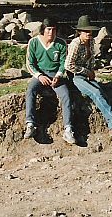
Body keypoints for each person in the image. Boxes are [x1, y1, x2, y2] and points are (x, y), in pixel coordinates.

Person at [65, 15, 112, 137]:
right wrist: (86, 72)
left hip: (87, 75)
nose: (88, 33)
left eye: (90, 31)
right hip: (75, 76)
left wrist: (91, 72)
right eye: (85, 31)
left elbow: (91, 60)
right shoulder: (75, 44)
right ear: (79, 32)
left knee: (101, 91)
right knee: (95, 92)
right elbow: (68, 65)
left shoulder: (91, 42)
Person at [24, 17, 76, 145]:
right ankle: (30, 124)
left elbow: (64, 62)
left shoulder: (61, 43)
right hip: (40, 74)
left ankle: (68, 129)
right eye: (48, 29)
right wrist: (39, 75)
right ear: (43, 30)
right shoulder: (33, 42)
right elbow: (30, 63)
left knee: (66, 95)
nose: (51, 32)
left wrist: (58, 76)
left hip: (55, 75)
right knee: (31, 89)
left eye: (53, 30)